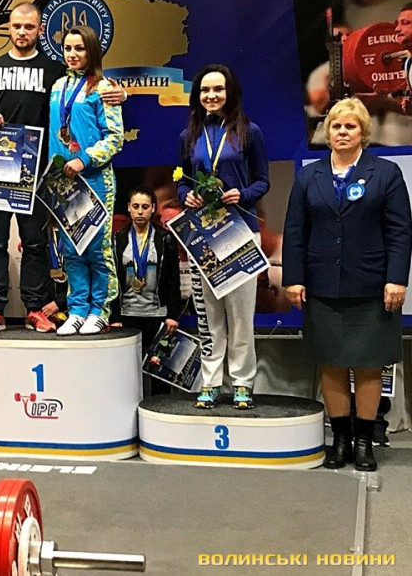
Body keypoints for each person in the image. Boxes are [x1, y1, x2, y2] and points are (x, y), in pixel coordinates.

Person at [0, 1, 125, 334]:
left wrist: (121, 93)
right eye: (16, 26)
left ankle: (36, 308)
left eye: (29, 27)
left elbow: (89, 87)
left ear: (40, 29)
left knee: (36, 243)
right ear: (8, 28)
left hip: (38, 170)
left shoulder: (57, 73)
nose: (22, 32)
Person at [282, 97, 412, 471]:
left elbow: (400, 231)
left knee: (369, 366)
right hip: (322, 286)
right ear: (328, 132)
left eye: (350, 126)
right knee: (333, 364)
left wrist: (396, 279)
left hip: (372, 287)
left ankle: (364, 441)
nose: (342, 131)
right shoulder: (309, 176)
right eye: (336, 126)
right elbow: (295, 230)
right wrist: (294, 278)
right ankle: (340, 440)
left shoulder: (385, 173)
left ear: (363, 132)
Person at [176, 63, 269, 409]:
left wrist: (242, 195)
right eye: (205, 90)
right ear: (197, 95)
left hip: (241, 232)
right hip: (205, 235)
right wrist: (186, 194)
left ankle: (242, 382)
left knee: (241, 316)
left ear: (230, 93)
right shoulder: (189, 136)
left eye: (218, 89)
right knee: (210, 316)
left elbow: (263, 180)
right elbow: (181, 179)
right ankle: (212, 381)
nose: (211, 95)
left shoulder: (249, 131)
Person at [49, 25, 124, 336]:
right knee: (71, 247)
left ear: (92, 50)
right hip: (64, 182)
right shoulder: (57, 86)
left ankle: (99, 310)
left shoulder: (103, 88)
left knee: (96, 247)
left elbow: (115, 138)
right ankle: (77, 309)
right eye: (67, 48)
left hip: (95, 179)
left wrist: (86, 159)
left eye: (79, 48)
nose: (72, 54)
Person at [111, 186, 182, 392]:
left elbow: (173, 279)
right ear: (128, 208)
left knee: (159, 374)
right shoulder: (118, 239)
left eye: (145, 207)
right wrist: (114, 316)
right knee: (129, 375)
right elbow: (112, 279)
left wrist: (173, 315)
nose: (140, 211)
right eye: (136, 206)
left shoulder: (164, 238)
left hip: (158, 315)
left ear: (153, 209)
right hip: (127, 316)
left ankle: (161, 410)